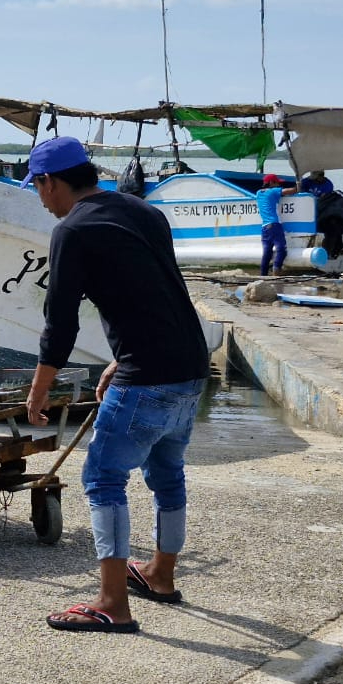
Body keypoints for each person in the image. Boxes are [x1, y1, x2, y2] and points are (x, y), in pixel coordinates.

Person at [22, 136, 208, 635]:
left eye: (38, 188)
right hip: (190, 366)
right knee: (168, 473)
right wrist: (117, 358)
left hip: (146, 376)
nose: (41, 200)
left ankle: (112, 603)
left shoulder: (72, 231)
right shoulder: (143, 212)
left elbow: (59, 325)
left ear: (51, 181)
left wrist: (39, 390)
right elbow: (160, 292)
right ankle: (161, 575)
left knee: (103, 479)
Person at [256, 173, 298, 276]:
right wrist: (299, 184)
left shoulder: (258, 193)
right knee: (281, 250)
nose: (278, 185)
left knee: (267, 253)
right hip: (274, 225)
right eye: (277, 183)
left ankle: (263, 275)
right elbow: (293, 191)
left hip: (264, 228)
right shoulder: (273, 191)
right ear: (271, 183)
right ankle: (276, 269)